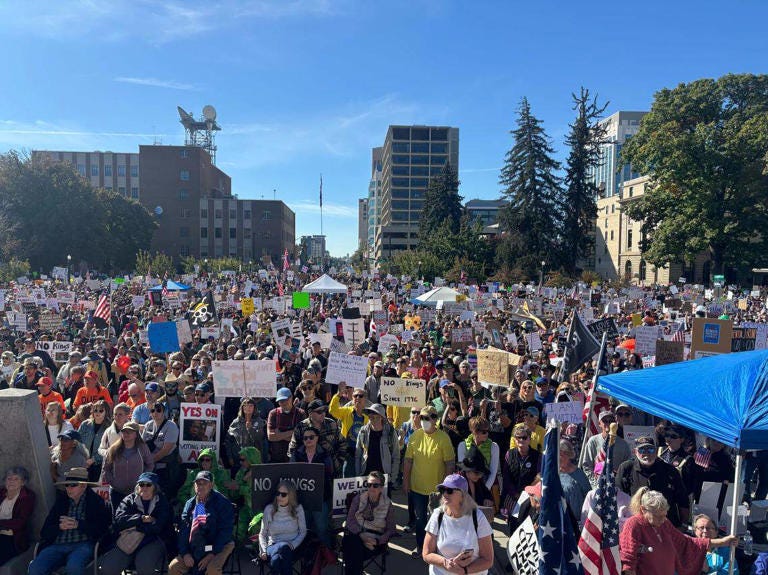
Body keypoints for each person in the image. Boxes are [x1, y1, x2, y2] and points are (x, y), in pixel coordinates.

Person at [619, 488, 736, 575]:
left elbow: (686, 542)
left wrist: (722, 542)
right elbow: (628, 562)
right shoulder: (633, 525)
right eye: (658, 516)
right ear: (643, 510)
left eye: (664, 515)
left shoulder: (664, 523)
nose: (662, 519)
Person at [28, 468, 111, 575]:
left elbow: (102, 530)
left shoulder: (96, 502)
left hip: (84, 545)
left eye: (73, 485)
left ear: (84, 486)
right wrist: (60, 527)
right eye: (67, 485)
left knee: (74, 567)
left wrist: (78, 524)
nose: (68, 488)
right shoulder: (61, 502)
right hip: (57, 545)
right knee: (35, 568)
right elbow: (44, 532)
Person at [404, 405, 456, 557]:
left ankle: (439, 549)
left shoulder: (443, 438)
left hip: (437, 491)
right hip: (417, 488)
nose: (423, 421)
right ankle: (421, 547)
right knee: (421, 521)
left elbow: (450, 464)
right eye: (421, 418)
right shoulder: (415, 436)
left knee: (439, 521)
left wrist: (446, 487)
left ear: (435, 420)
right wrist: (406, 482)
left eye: (427, 418)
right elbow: (408, 461)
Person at [99, 472, 173, 575]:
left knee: (144, 566)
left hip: (152, 540)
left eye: (148, 485)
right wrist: (141, 518)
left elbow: (158, 527)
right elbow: (119, 520)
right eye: (141, 484)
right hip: (128, 540)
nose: (144, 487)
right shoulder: (129, 500)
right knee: (108, 568)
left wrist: (136, 527)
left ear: (155, 487)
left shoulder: (162, 501)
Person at [422, 473, 494, 575]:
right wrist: (446, 563)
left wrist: (464, 571)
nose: (445, 494)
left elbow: (488, 560)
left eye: (450, 491)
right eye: (443, 490)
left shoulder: (478, 517)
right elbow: (426, 553)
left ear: (463, 495)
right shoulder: (438, 515)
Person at [617, 435, 690, 527]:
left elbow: (683, 500)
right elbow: (618, 498)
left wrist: (683, 525)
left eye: (650, 450)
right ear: (635, 452)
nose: (647, 454)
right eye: (642, 450)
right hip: (637, 525)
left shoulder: (670, 470)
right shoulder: (626, 468)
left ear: (656, 451)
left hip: (665, 525)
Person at [170, 470, 235, 575]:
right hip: (196, 545)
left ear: (211, 485)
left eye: (204, 483)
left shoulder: (222, 503)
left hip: (219, 545)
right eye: (198, 483)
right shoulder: (190, 503)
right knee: (174, 567)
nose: (200, 486)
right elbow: (183, 530)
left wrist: (211, 554)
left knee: (212, 570)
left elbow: (225, 532)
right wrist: (185, 553)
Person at [342, 471, 396, 575]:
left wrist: (378, 540)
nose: (371, 488)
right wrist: (360, 534)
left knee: (351, 549)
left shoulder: (388, 504)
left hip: (374, 539)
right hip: (358, 534)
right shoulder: (358, 498)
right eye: (369, 484)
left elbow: (391, 529)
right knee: (352, 543)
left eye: (375, 485)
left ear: (381, 487)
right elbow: (350, 520)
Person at [290, 426, 334, 547]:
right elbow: (291, 473)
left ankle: (327, 552)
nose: (308, 440)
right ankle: (308, 552)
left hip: (321, 498)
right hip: (302, 498)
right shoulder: (296, 454)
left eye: (311, 437)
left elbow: (330, 472)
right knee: (305, 527)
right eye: (305, 438)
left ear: (317, 438)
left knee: (322, 527)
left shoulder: (325, 454)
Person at [100, 421, 154, 512]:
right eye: (124, 431)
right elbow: (106, 469)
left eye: (130, 431)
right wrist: (113, 482)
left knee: (135, 518)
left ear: (136, 434)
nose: (126, 434)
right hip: (117, 492)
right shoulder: (113, 449)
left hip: (137, 492)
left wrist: (142, 481)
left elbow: (150, 465)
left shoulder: (143, 448)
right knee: (117, 519)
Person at [258, 481, 307, 575]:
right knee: (282, 547)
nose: (279, 497)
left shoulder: (298, 509)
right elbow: (262, 533)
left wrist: (292, 545)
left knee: (276, 560)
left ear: (291, 496)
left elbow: (303, 532)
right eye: (278, 493)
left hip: (293, 547)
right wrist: (263, 550)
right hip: (273, 546)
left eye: (283, 494)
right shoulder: (269, 509)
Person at [287, 399, 346, 477]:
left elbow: (343, 444)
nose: (323, 414)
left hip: (330, 471)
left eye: (324, 410)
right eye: (319, 412)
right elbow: (292, 450)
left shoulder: (332, 424)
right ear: (310, 413)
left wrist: (338, 462)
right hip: (306, 472)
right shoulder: (301, 427)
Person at [501, 423, 540, 524]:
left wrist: (526, 494)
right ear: (514, 439)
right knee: (513, 525)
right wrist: (515, 494)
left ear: (529, 439)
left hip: (530, 498)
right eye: (518, 437)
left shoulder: (538, 456)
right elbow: (506, 477)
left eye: (524, 437)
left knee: (527, 524)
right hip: (512, 497)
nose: (521, 440)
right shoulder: (509, 454)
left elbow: (538, 478)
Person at [582, 410, 633, 487]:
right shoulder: (593, 441)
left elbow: (628, 466)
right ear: (599, 424)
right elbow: (586, 465)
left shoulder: (624, 444)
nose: (608, 423)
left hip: (616, 487)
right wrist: (595, 484)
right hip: (597, 487)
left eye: (611, 421)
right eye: (605, 421)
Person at [330, 382, 370, 477]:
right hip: (348, 452)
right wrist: (339, 394)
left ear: (365, 399)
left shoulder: (370, 415)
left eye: (361, 396)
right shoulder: (347, 411)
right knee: (347, 478)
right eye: (355, 396)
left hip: (363, 453)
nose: (357, 398)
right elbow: (332, 410)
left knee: (362, 478)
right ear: (352, 398)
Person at [141, 401, 180, 495]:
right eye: (153, 410)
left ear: (164, 412)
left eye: (159, 410)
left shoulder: (171, 426)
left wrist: (149, 462)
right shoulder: (148, 425)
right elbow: (142, 446)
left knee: (163, 494)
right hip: (150, 465)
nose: (155, 413)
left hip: (165, 467)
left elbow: (165, 450)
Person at [355, 403, 400, 483]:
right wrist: (359, 475)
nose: (374, 420)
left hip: (385, 477)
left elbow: (396, 457)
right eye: (371, 417)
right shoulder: (363, 431)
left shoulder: (391, 433)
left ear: (382, 418)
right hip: (366, 477)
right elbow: (358, 455)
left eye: (377, 417)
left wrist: (392, 479)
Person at [0, 466, 35, 565]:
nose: (11, 482)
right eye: (9, 478)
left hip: (13, 539)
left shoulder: (27, 496)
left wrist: (1, 524)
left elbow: (21, 522)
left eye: (16, 479)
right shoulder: (1, 493)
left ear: (23, 482)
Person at [457, 416, 499, 492]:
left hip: (486, 482)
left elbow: (493, 472)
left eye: (488, 431)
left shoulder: (494, 446)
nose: (487, 434)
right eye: (484, 432)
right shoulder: (462, 445)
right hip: (468, 483)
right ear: (474, 431)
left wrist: (485, 490)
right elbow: (464, 470)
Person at [267, 388, 306, 463]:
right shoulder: (273, 413)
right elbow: (270, 437)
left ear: (291, 398)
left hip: (295, 456)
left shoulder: (301, 413)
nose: (283, 403)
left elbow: (301, 436)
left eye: (285, 400)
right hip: (277, 457)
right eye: (281, 401)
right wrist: (293, 432)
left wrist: (278, 435)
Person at [76, 399, 111, 482]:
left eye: (101, 410)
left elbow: (109, 448)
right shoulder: (85, 424)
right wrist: (82, 459)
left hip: (99, 465)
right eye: (95, 410)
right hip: (82, 463)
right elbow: (77, 442)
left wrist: (93, 459)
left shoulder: (110, 427)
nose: (97, 412)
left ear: (106, 412)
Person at [226, 398, 266, 469]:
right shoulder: (235, 422)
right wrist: (230, 457)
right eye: (245, 405)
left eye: (251, 406)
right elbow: (228, 441)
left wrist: (251, 429)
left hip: (253, 460)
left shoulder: (259, 421)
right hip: (237, 458)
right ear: (242, 407)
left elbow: (259, 439)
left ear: (254, 407)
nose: (248, 408)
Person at [558, 439, 591, 523]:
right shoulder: (553, 473)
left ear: (568, 455)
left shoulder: (579, 474)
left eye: (561, 454)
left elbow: (589, 496)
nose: (558, 457)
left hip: (575, 522)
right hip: (558, 520)